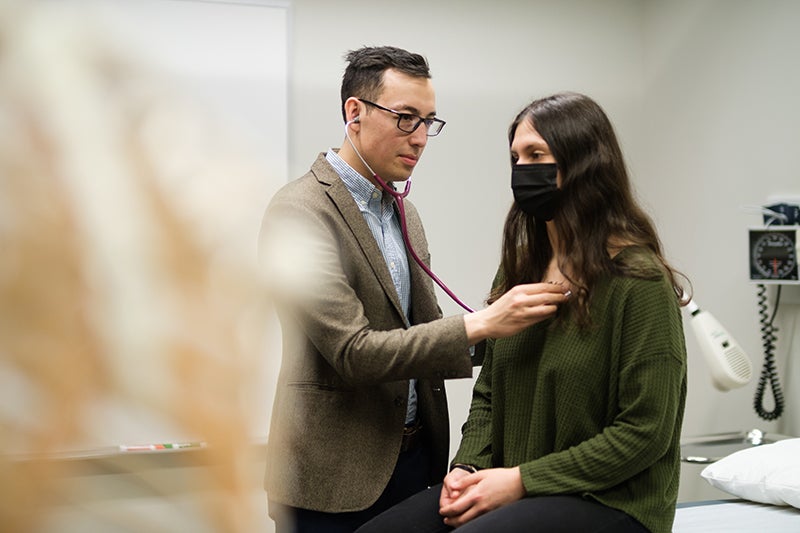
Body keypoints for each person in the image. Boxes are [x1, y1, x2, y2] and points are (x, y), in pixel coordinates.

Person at [258, 47, 571, 533]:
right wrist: (485, 322)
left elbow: (422, 336)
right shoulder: (299, 212)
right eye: (406, 118)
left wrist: (534, 313)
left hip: (417, 462)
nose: (421, 138)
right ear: (354, 113)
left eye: (429, 121)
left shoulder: (404, 211)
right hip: (332, 480)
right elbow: (354, 352)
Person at [355, 92, 690, 533]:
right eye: (515, 157)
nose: (522, 170)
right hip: (513, 484)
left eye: (536, 154)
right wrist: (467, 468)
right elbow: (489, 392)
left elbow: (645, 432)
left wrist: (520, 481)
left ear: (584, 163)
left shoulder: (637, 282)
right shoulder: (520, 269)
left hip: (611, 500)